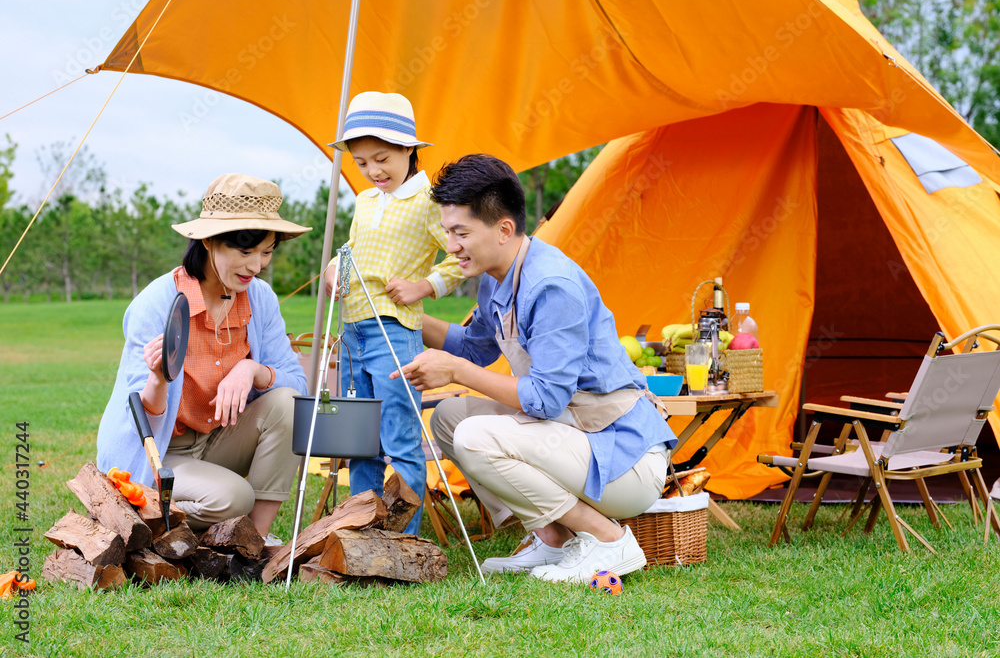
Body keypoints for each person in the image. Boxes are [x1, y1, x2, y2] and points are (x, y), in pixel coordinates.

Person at [393, 154, 677, 582]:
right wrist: (409, 317)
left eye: (460, 232)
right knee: (451, 419)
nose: (450, 246)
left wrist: (455, 372)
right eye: (448, 231)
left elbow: (544, 400)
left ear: (504, 229)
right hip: (574, 437)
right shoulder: (496, 276)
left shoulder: (551, 286)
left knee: (474, 436)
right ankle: (553, 540)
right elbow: (475, 348)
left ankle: (607, 539)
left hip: (622, 460)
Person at [96, 173, 311, 540]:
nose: (257, 266)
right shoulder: (157, 302)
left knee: (289, 404)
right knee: (234, 498)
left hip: (219, 440)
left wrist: (252, 369)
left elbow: (297, 382)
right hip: (162, 451)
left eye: (267, 252)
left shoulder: (260, 298)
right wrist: (158, 377)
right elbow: (140, 414)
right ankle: (140, 515)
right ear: (210, 242)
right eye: (245, 252)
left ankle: (254, 542)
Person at [323, 91, 464, 535]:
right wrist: (332, 272)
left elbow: (460, 257)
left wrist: (424, 286)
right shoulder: (365, 202)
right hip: (351, 332)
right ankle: (362, 533)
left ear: (409, 150)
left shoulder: (428, 202)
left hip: (394, 330)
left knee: (399, 437)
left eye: (382, 158)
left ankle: (403, 538)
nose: (373, 171)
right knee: (359, 439)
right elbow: (350, 254)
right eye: (362, 163)